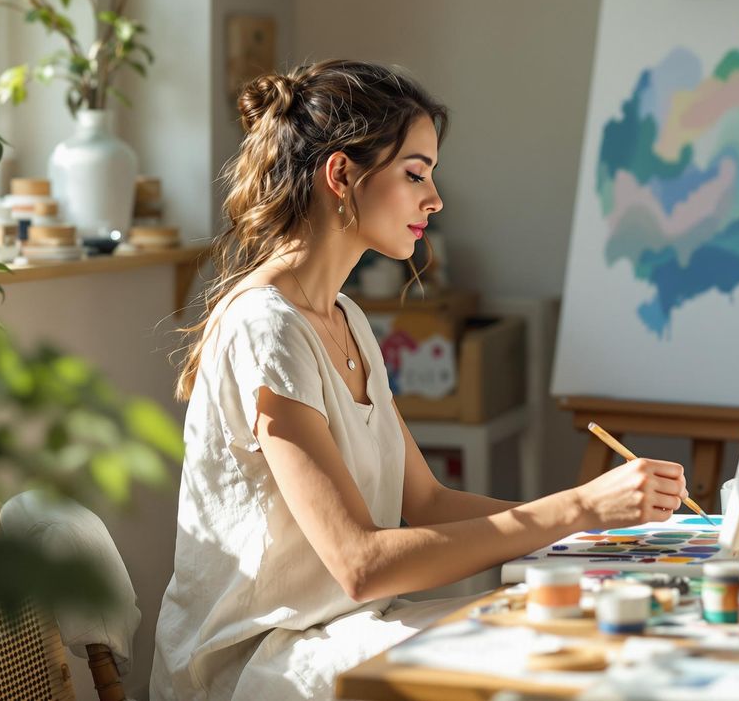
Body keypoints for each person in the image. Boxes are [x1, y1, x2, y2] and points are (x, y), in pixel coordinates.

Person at [150, 60, 688, 700]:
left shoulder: (345, 317)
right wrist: (580, 508)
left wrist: (595, 531)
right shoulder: (266, 328)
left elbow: (428, 502)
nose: (435, 200)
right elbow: (359, 564)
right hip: (259, 661)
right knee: (556, 657)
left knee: (582, 633)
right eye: (415, 175)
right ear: (341, 175)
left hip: (345, 629)